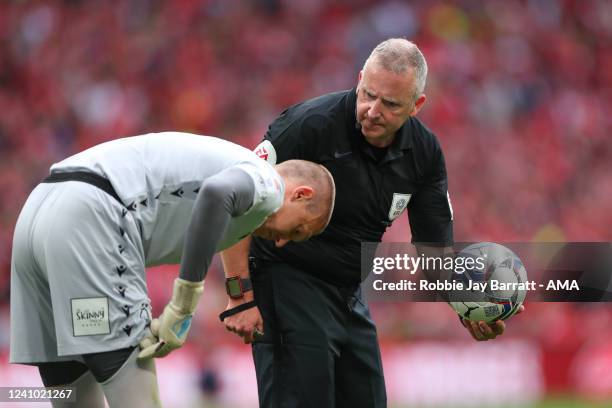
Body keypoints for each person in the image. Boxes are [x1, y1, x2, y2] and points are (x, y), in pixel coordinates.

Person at [221, 38, 517, 407]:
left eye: (390, 104)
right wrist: (239, 297)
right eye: (368, 94)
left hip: (347, 293)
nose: (373, 110)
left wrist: (466, 304)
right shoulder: (307, 125)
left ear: (416, 105)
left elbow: (433, 251)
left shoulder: (423, 154)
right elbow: (236, 201)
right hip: (285, 281)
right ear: (360, 79)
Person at [9, 131, 335, 408]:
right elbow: (216, 193)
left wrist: (234, 294)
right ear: (301, 194)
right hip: (94, 215)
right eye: (298, 231)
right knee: (135, 387)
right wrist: (183, 304)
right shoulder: (269, 181)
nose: (282, 242)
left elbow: (216, 205)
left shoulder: (242, 186)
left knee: (69, 386)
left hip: (40, 209)